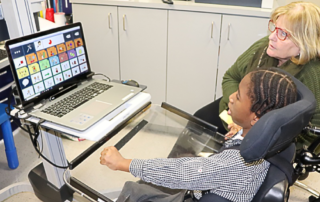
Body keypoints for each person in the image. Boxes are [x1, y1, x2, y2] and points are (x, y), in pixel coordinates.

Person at [100, 68, 297, 202]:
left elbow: (184, 173)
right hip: (217, 185)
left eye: (237, 96)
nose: (230, 97)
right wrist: (244, 131)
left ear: (256, 118)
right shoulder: (276, 139)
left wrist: (124, 163)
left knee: (134, 190)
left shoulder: (238, 162)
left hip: (199, 191)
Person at [194, 1, 320, 149]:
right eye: (274, 27)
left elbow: (313, 130)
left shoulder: (312, 74)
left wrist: (251, 132)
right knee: (198, 122)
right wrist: (235, 118)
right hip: (234, 111)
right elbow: (231, 77)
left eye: (283, 33)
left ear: (304, 43)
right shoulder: (264, 47)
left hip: (268, 136)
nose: (271, 37)